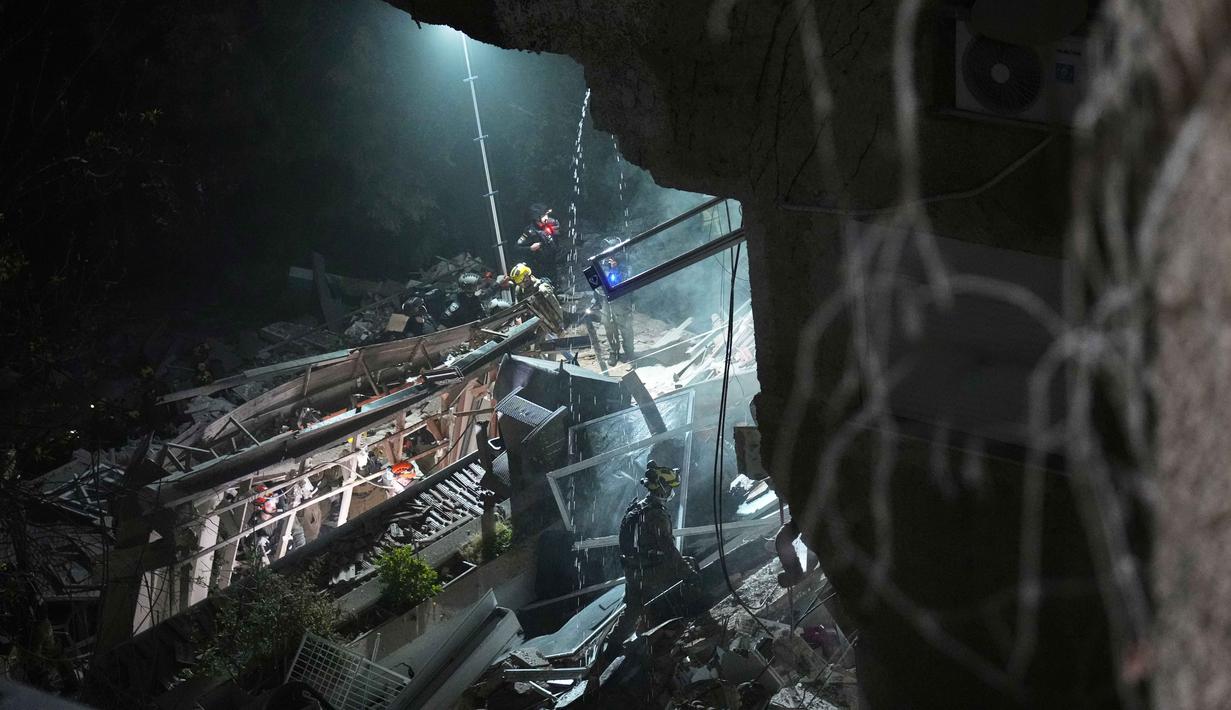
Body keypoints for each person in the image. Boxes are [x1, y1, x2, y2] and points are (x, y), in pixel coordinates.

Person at [516, 204, 561, 276]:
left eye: (547, 215)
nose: (546, 217)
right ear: (536, 217)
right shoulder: (530, 231)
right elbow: (517, 248)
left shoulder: (551, 223)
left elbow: (557, 239)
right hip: (541, 267)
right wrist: (530, 248)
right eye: (543, 215)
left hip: (553, 262)